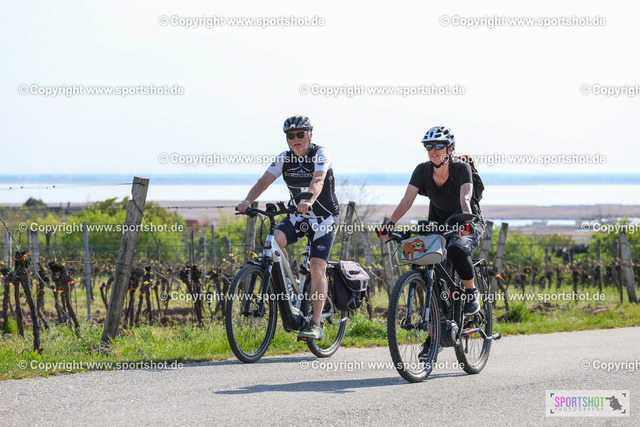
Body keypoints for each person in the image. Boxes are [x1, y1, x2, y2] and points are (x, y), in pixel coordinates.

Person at [237, 115, 339, 340]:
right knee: (274, 240)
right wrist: (247, 201)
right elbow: (263, 181)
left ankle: (316, 323)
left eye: (300, 134)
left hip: (323, 219)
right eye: (290, 136)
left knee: (316, 267)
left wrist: (309, 200)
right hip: (298, 216)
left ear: (310, 134)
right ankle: (290, 284)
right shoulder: (284, 158)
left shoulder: (320, 154)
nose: (296, 139)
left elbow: (318, 180)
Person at [380, 126, 485, 316]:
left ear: (450, 149)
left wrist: (466, 222)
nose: (433, 150)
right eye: (429, 146)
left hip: (467, 221)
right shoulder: (422, 170)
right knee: (433, 270)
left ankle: (471, 292)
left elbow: (465, 198)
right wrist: (390, 224)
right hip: (438, 225)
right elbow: (406, 201)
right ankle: (436, 325)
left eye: (438, 146)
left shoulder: (461, 168)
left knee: (456, 249)